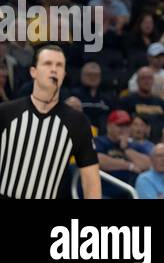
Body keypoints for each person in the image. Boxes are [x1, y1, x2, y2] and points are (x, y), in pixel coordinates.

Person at [0, 44, 100, 198]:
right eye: (47, 64)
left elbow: (90, 180)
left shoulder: (78, 122)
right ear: (33, 71)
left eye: (59, 65)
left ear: (64, 74)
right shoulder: (6, 112)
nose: (54, 69)